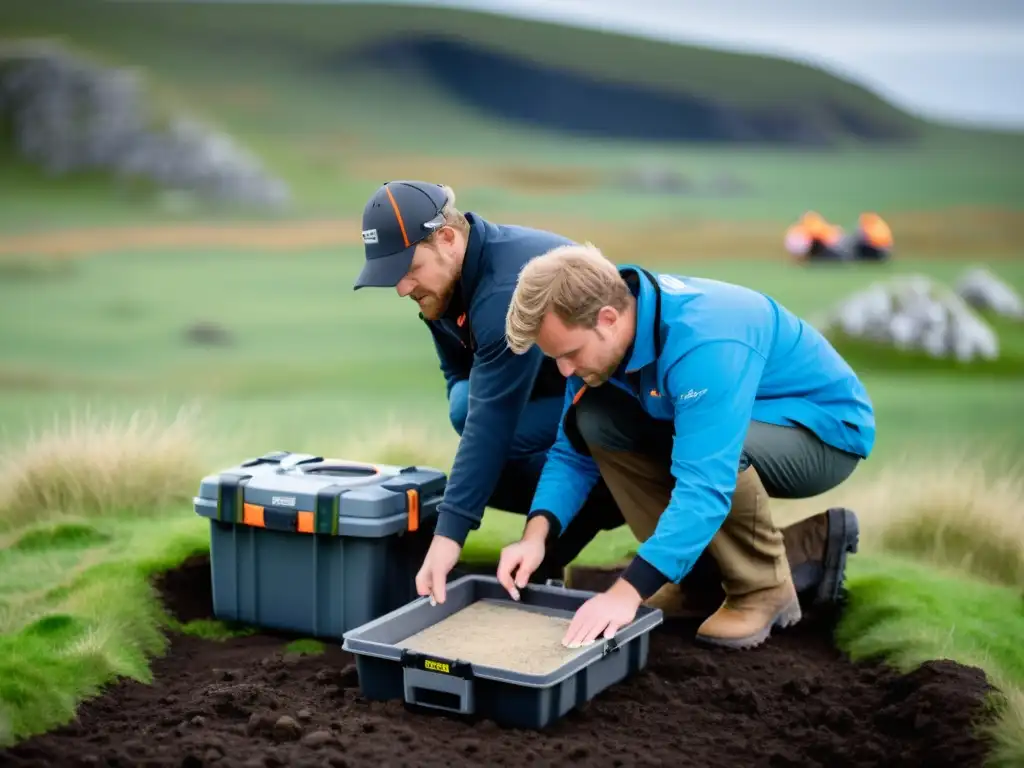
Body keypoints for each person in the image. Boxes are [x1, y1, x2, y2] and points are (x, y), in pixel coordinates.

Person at [496, 242, 873, 650]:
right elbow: (572, 452)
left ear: (607, 319)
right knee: (596, 419)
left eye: (570, 354)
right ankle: (697, 582)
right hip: (740, 421)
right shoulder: (605, 325)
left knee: (714, 450)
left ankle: (762, 588)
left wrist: (626, 592)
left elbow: (705, 486)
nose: (565, 370)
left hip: (821, 433)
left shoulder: (702, 345)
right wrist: (535, 536)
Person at [351, 180, 625, 605]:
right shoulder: (444, 288)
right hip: (554, 402)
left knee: (478, 452)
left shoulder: (501, 294)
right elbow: (458, 379)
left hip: (619, 407)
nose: (401, 288)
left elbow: (490, 425)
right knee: (472, 441)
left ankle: (604, 501)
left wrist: (447, 539)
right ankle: (572, 522)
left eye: (408, 269)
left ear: (446, 238)